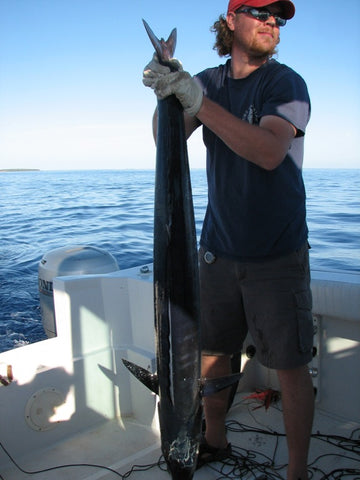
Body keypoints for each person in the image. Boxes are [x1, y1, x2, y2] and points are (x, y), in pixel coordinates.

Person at [143, 1, 315, 479]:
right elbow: (169, 138)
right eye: (260, 12)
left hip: (276, 252)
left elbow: (267, 151)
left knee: (290, 365)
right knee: (214, 352)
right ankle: (213, 440)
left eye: (278, 18)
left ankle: (297, 472)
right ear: (230, 21)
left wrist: (194, 100)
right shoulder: (208, 81)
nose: (271, 23)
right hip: (217, 248)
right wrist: (166, 90)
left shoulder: (285, 83)